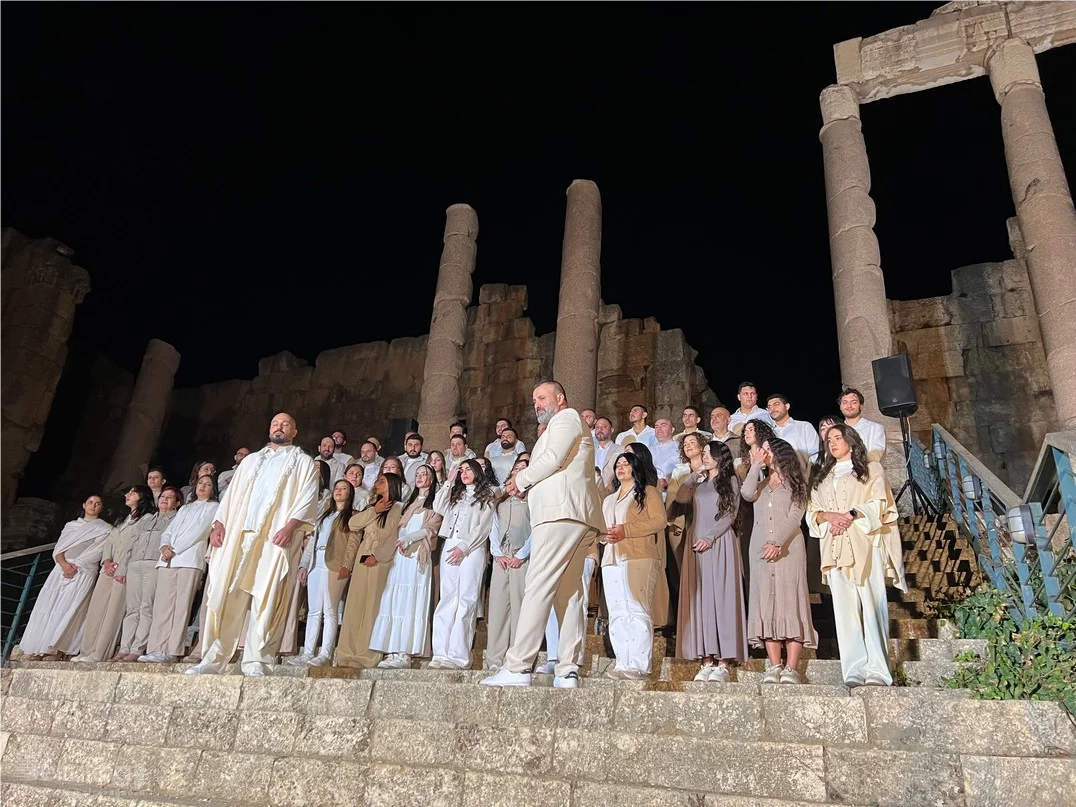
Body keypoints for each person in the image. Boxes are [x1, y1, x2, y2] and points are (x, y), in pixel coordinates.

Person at [482, 381, 604, 690]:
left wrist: (520, 480)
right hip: (575, 516)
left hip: (560, 514)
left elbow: (553, 459)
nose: (536, 403)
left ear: (560, 399)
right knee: (570, 594)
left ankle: (518, 665)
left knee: (537, 585)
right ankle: (568, 670)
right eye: (534, 399)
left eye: (542, 397)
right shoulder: (561, 423)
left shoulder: (566, 417)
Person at [186, 413, 319, 677]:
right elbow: (231, 495)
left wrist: (291, 526)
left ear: (295, 431)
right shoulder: (250, 461)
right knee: (226, 594)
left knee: (268, 596)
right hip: (239, 535)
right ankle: (214, 657)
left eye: (285, 424)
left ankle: (258, 659)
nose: (278, 427)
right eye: (274, 423)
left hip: (274, 536)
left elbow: (308, 496)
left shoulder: (303, 462)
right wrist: (219, 524)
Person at [809, 424, 906, 687]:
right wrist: (829, 517)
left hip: (864, 541)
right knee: (844, 609)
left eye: (838, 438)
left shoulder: (871, 470)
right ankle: (853, 668)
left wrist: (850, 515)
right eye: (829, 439)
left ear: (851, 441)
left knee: (872, 605)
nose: (832, 443)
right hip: (834, 544)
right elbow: (812, 510)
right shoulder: (823, 476)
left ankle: (878, 669)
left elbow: (879, 503)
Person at [668, 441, 747, 682]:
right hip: (696, 540)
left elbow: (730, 513)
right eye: (702, 453)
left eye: (707, 453)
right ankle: (706, 659)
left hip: (719, 541)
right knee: (701, 598)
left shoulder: (730, 481)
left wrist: (710, 537)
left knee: (721, 597)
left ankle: (723, 661)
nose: (704, 456)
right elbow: (681, 498)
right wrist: (693, 477)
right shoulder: (699, 482)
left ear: (719, 456)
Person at [741, 437, 817, 684]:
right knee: (766, 601)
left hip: (788, 549)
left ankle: (791, 668)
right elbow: (746, 493)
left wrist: (778, 543)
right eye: (763, 450)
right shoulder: (760, 484)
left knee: (790, 601)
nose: (765, 453)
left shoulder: (797, 485)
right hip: (760, 549)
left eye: (768, 450)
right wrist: (755, 466)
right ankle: (774, 665)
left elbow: (796, 516)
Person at [19, 495, 111, 660]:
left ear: (101, 507)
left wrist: (77, 564)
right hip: (61, 570)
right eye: (90, 502)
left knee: (71, 609)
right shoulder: (71, 526)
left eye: (98, 503)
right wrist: (64, 565)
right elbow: (59, 548)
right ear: (84, 505)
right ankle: (38, 648)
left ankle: (57, 649)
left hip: (83, 571)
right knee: (49, 607)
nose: (93, 505)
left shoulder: (105, 529)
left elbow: (98, 551)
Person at [72, 485, 157, 663]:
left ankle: (99, 653)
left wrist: (122, 567)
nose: (127, 495)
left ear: (142, 497)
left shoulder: (147, 519)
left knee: (113, 612)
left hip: (126, 570)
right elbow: (110, 542)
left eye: (132, 492)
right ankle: (86, 651)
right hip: (108, 569)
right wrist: (108, 561)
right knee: (97, 608)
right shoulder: (122, 519)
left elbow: (137, 546)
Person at [600, 452, 666, 679]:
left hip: (639, 555)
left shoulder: (648, 492)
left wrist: (626, 530)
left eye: (625, 463)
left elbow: (659, 521)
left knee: (636, 609)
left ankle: (638, 664)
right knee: (618, 611)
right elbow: (602, 527)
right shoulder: (609, 499)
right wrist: (603, 536)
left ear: (635, 467)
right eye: (618, 464)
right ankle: (622, 662)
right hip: (611, 558)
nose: (620, 467)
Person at [139, 475, 219, 663]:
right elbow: (169, 530)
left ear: (213, 489)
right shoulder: (185, 508)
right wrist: (164, 547)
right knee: (162, 607)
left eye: (208, 484)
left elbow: (199, 531)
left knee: (180, 607)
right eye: (200, 483)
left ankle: (172, 650)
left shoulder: (214, 508)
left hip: (189, 560)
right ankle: (156, 648)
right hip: (168, 559)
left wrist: (174, 550)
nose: (203, 487)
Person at [372, 465, 443, 668]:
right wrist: (402, 540)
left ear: (432, 478)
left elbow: (431, 528)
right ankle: (393, 649)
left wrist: (409, 540)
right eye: (418, 475)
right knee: (396, 600)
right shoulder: (409, 504)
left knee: (411, 601)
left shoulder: (435, 504)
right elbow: (402, 525)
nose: (420, 478)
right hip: (402, 556)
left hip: (417, 556)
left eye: (425, 474)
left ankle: (405, 652)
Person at [429, 459, 495, 669]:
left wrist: (464, 547)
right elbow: (437, 506)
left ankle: (458, 656)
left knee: (466, 599)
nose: (465, 473)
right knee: (447, 598)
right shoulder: (455, 495)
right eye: (462, 470)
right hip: (450, 543)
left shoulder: (487, 496)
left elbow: (483, 526)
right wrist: (448, 481)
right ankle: (440, 653)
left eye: (469, 469)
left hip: (472, 548)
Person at [335, 473, 404, 668]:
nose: (377, 484)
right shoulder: (370, 507)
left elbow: (393, 535)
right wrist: (374, 510)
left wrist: (380, 555)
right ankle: (347, 652)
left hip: (381, 560)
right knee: (355, 603)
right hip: (363, 557)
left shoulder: (398, 508)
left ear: (392, 485)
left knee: (372, 605)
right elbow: (352, 524)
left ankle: (366, 654)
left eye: (382, 481)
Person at [289, 479, 358, 666]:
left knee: (330, 610)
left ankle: (326, 653)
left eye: (344, 489)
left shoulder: (352, 516)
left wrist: (347, 564)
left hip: (335, 564)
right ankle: (308, 652)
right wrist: (304, 565)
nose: (339, 491)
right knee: (313, 611)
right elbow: (312, 541)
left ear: (349, 494)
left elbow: (352, 544)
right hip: (316, 562)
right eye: (337, 488)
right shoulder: (324, 516)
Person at [483, 459, 532, 671]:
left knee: (519, 605)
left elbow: (538, 529)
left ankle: (516, 657)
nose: (518, 472)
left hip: (522, 556)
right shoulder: (500, 502)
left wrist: (522, 554)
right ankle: (494, 658)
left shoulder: (533, 501)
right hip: (502, 556)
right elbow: (493, 528)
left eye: (523, 469)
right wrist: (497, 552)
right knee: (498, 607)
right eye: (516, 469)